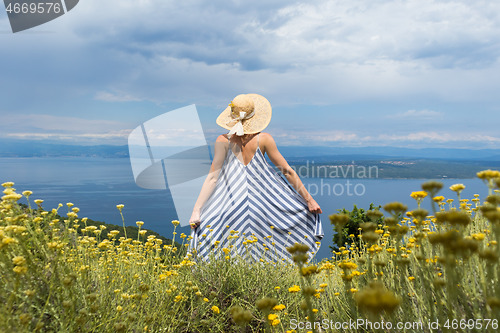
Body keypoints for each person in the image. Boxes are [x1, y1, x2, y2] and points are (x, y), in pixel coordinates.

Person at [188, 93, 323, 263]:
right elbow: (287, 171)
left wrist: (196, 210)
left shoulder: (222, 140)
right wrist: (309, 200)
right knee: (266, 256)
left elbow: (212, 179)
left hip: (229, 207)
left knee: (230, 255)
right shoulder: (264, 139)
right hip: (264, 207)